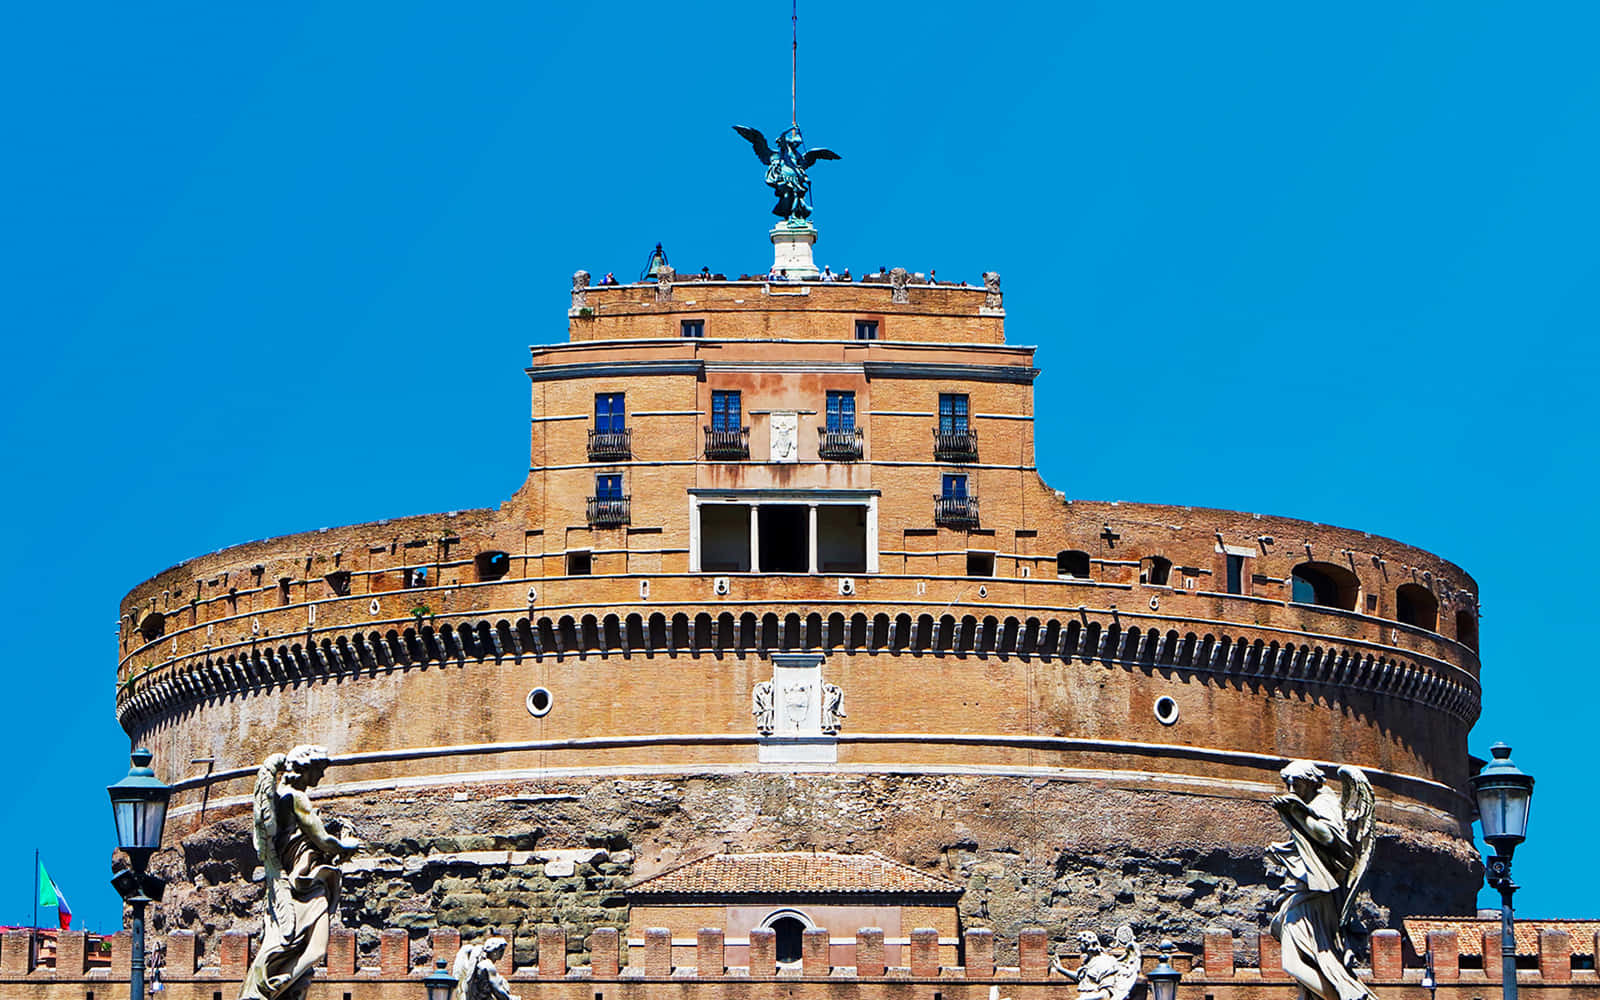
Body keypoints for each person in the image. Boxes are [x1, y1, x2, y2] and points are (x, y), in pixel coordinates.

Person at [239, 746, 361, 1000]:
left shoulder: (279, 798)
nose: (321, 776)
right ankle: (271, 986)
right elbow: (323, 840)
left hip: (287, 885)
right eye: (319, 769)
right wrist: (350, 844)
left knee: (289, 945)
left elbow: (297, 837)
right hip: (304, 885)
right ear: (306, 769)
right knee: (316, 948)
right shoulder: (297, 798)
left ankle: (276, 986)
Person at [1268, 761, 1376, 1000]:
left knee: (1294, 962)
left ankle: (1345, 996)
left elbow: (1330, 840)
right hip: (1303, 892)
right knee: (1309, 961)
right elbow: (1309, 850)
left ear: (1310, 781)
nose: (1291, 790)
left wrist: (1296, 813)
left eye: (1296, 784)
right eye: (1288, 784)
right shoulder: (1307, 803)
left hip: (1316, 897)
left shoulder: (1324, 803)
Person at [452, 938, 519, 1000]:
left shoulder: (481, 965)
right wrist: (511, 998)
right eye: (501, 950)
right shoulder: (488, 966)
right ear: (494, 951)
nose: (502, 953)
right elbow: (498, 991)